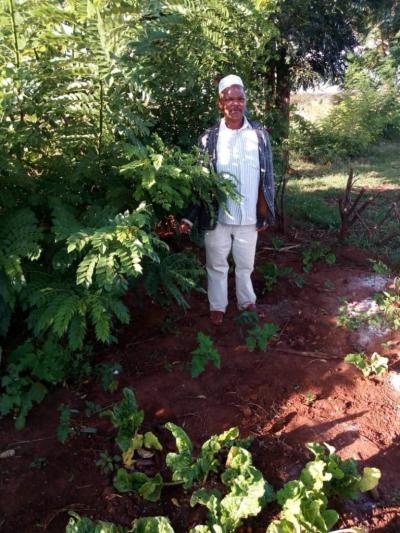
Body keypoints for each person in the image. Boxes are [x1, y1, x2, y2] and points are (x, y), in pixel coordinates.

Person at [179, 74, 275, 325]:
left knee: (245, 265)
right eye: (229, 99)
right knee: (216, 264)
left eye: (240, 98)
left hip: (248, 216)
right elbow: (200, 181)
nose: (235, 104)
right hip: (217, 216)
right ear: (220, 103)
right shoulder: (208, 139)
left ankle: (246, 301)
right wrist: (189, 216)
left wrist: (264, 211)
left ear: (245, 101)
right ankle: (218, 306)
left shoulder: (259, 135)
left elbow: (268, 177)